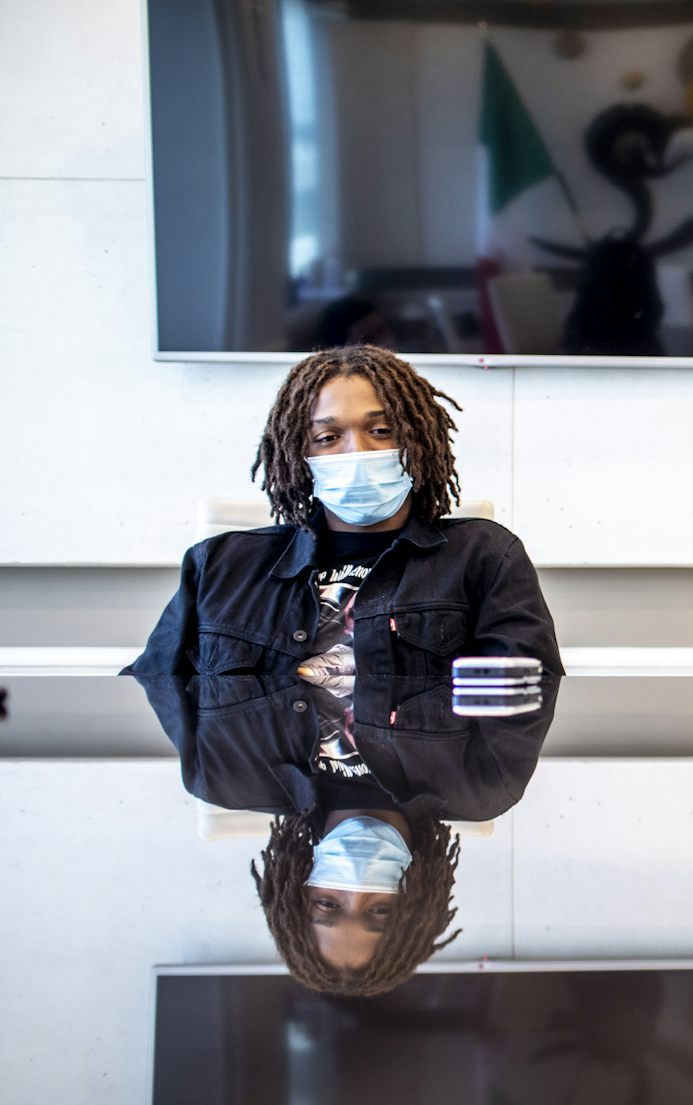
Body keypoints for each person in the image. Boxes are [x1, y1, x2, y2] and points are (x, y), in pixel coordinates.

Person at [126, 344, 562, 680]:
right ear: (300, 455)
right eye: (329, 437)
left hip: (422, 787)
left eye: (381, 430)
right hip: (275, 787)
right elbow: (152, 690)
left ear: (418, 442)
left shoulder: (484, 556)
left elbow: (528, 701)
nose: (357, 450)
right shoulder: (219, 565)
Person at [135, 673, 558, 997]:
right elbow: (521, 659)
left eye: (327, 903)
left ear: (298, 888)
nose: (357, 889)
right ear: (416, 903)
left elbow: (169, 665)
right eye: (381, 912)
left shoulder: (226, 774)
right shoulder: (482, 779)